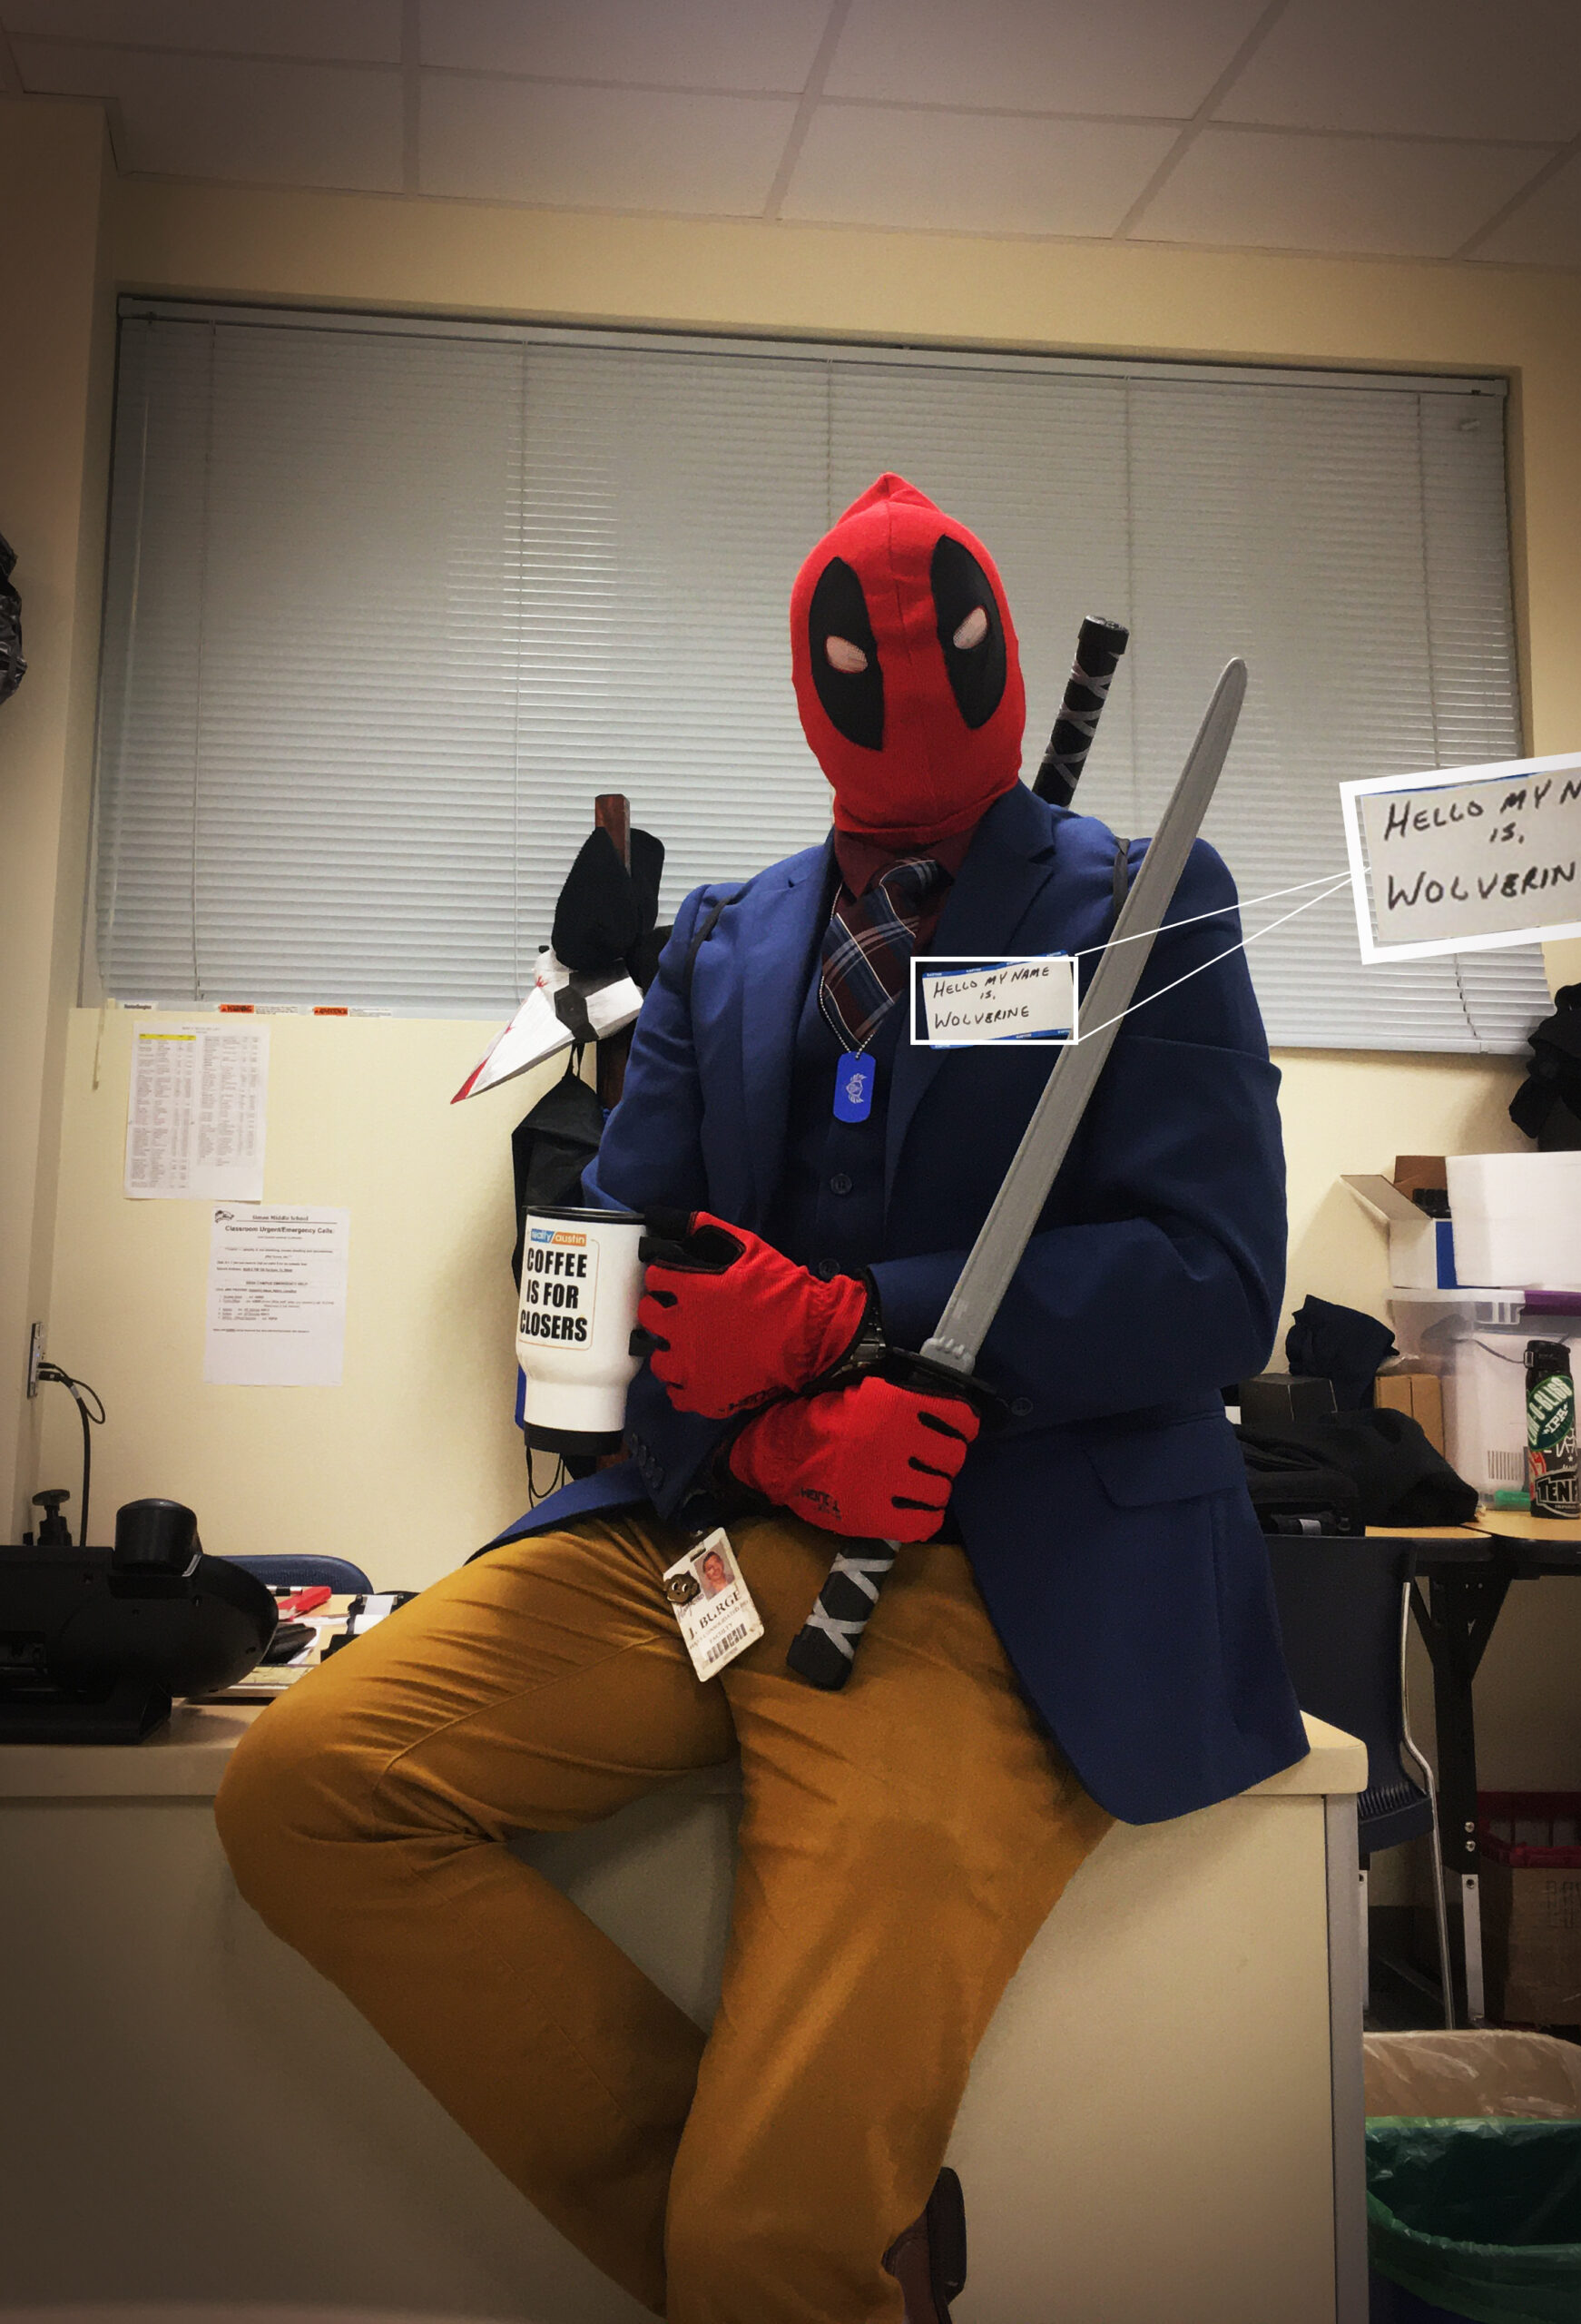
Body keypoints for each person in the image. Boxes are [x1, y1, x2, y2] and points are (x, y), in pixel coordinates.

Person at [215, 474, 1305, 2324]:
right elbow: (610, 1278)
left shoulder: (1139, 902)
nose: (906, 684)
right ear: (809, 693)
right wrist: (770, 1424)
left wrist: (850, 1320)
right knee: (307, 1791)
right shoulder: (726, 937)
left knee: (758, 2245)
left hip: (999, 1582)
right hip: (701, 1544)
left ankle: (770, 2245)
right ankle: (800, 2245)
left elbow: (1214, 1280)